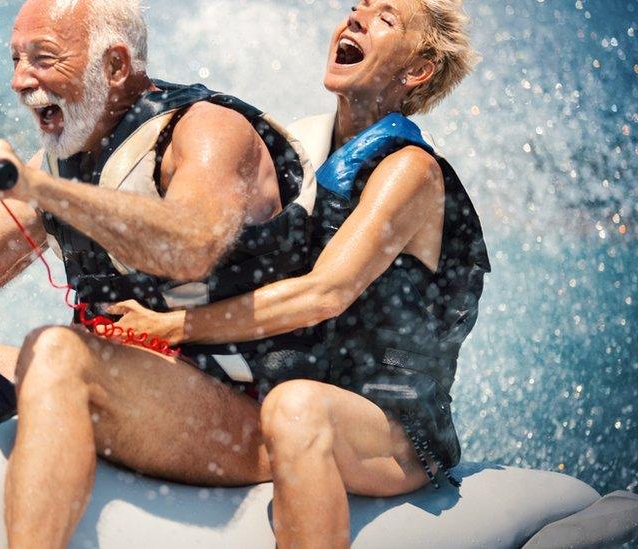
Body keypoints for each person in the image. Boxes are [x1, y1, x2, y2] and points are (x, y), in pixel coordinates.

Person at [0, 0, 320, 546]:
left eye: (42, 58)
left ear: (115, 66)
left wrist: (34, 190)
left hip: (241, 417)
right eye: (15, 59)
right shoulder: (60, 161)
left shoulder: (209, 131)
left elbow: (187, 246)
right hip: (132, 382)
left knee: (58, 351)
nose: (19, 81)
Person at [105, 0, 491, 546]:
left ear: (417, 71)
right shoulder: (307, 152)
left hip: (397, 431)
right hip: (294, 390)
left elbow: (322, 294)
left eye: (385, 19)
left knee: (296, 404)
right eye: (355, 8)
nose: (354, 19)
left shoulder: (411, 172)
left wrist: (174, 327)